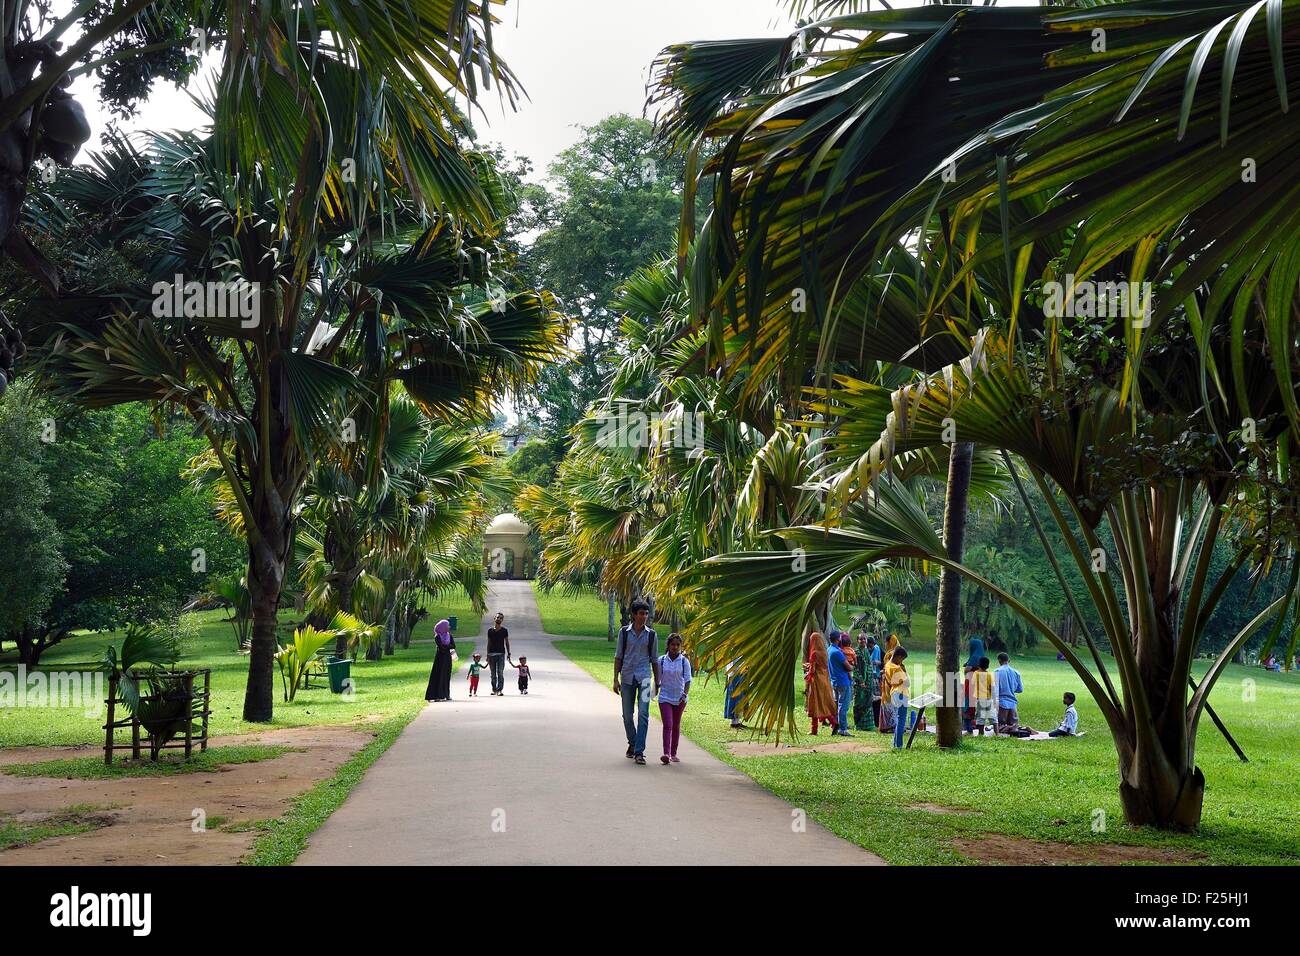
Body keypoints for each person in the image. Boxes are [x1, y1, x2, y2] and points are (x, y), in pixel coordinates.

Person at [614, 600, 659, 765]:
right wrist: (614, 679)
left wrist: (658, 681)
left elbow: (654, 659)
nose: (644, 617)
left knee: (644, 714)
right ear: (634, 615)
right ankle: (632, 742)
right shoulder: (624, 633)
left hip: (645, 678)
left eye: (646, 614)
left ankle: (639, 751)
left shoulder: (652, 635)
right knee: (627, 716)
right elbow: (618, 656)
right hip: (626, 678)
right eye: (641, 613)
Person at [655, 633, 693, 764]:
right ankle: (666, 753)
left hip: (680, 699)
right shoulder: (661, 660)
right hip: (665, 697)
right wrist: (652, 691)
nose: (675, 647)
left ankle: (673, 753)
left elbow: (688, 680)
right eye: (673, 644)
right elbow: (657, 680)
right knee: (668, 725)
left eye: (678, 645)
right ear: (668, 645)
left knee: (676, 725)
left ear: (681, 646)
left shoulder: (684, 661)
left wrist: (684, 694)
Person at [805, 631, 837, 735]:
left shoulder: (814, 653)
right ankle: (833, 722)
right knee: (823, 704)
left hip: (817, 681)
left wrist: (808, 673)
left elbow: (813, 669)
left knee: (815, 703)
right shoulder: (825, 652)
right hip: (825, 681)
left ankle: (814, 729)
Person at [883, 646, 914, 748]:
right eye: (902, 659)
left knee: (898, 719)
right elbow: (907, 682)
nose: (901, 661)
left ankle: (895, 744)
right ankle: (899, 745)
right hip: (901, 693)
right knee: (901, 721)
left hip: (894, 693)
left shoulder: (887, 665)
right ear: (898, 656)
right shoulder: (896, 668)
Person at [424, 619, 456, 701]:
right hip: (440, 658)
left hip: (447, 658)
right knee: (438, 675)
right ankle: (436, 695)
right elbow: (441, 648)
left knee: (446, 676)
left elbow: (453, 646)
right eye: (447, 625)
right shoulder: (437, 636)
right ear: (443, 627)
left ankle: (446, 695)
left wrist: (446, 646)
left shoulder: (449, 636)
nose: (449, 627)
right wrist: (447, 646)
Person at [828, 634, 855, 737]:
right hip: (843, 681)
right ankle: (843, 729)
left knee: (838, 704)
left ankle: (837, 725)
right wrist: (852, 666)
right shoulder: (838, 652)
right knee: (843, 706)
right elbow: (848, 667)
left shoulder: (829, 650)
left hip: (834, 681)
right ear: (838, 639)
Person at [994, 652, 1024, 734]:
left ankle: (1010, 727)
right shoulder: (1016, 672)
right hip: (1013, 704)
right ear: (1008, 660)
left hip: (1002, 703)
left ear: (999, 660)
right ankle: (1013, 727)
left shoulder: (997, 671)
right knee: (1014, 725)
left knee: (999, 727)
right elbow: (1020, 689)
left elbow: (995, 690)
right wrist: (1011, 688)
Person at [853, 633, 877, 731]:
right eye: (861, 639)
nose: (863, 641)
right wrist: (861, 680)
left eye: (864, 639)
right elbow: (856, 668)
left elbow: (869, 665)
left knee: (868, 703)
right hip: (860, 683)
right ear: (857, 641)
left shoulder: (866, 651)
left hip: (869, 682)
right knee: (859, 703)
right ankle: (859, 725)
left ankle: (868, 725)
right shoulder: (856, 652)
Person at [485, 612, 511, 696]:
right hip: (492, 654)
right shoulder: (490, 631)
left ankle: (500, 689)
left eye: (500, 618)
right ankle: (494, 689)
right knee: (493, 674)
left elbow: (506, 642)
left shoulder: (504, 631)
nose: (498, 619)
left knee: (500, 672)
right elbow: (488, 643)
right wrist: (487, 655)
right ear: (494, 618)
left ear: (502, 620)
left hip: (501, 654)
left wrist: (509, 653)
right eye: (497, 617)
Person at [971, 656, 996, 735]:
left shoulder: (976, 673)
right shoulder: (989, 674)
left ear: (979, 664)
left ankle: (981, 733)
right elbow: (992, 687)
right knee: (993, 716)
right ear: (987, 665)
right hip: (988, 698)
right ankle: (997, 733)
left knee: (980, 717)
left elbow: (972, 683)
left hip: (979, 698)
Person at [723, 658, 746, 728]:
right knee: (735, 698)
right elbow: (734, 666)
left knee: (739, 697)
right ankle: (734, 721)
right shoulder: (734, 652)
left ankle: (737, 721)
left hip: (739, 675)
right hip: (734, 676)